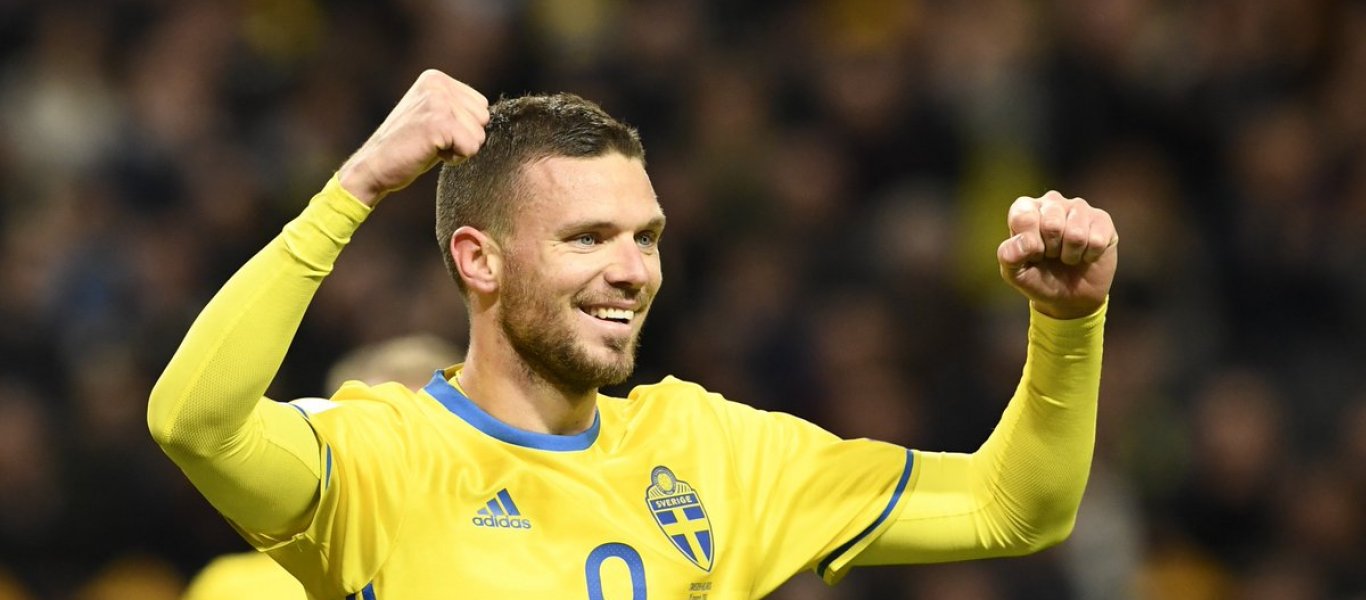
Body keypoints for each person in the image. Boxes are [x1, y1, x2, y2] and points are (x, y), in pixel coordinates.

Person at [148, 69, 1117, 598]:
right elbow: (194, 423)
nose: (634, 270)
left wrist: (1068, 323)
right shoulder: (379, 460)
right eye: (587, 238)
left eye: (644, 237)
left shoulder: (720, 453)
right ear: (479, 261)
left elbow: (1014, 509)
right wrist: (355, 186)